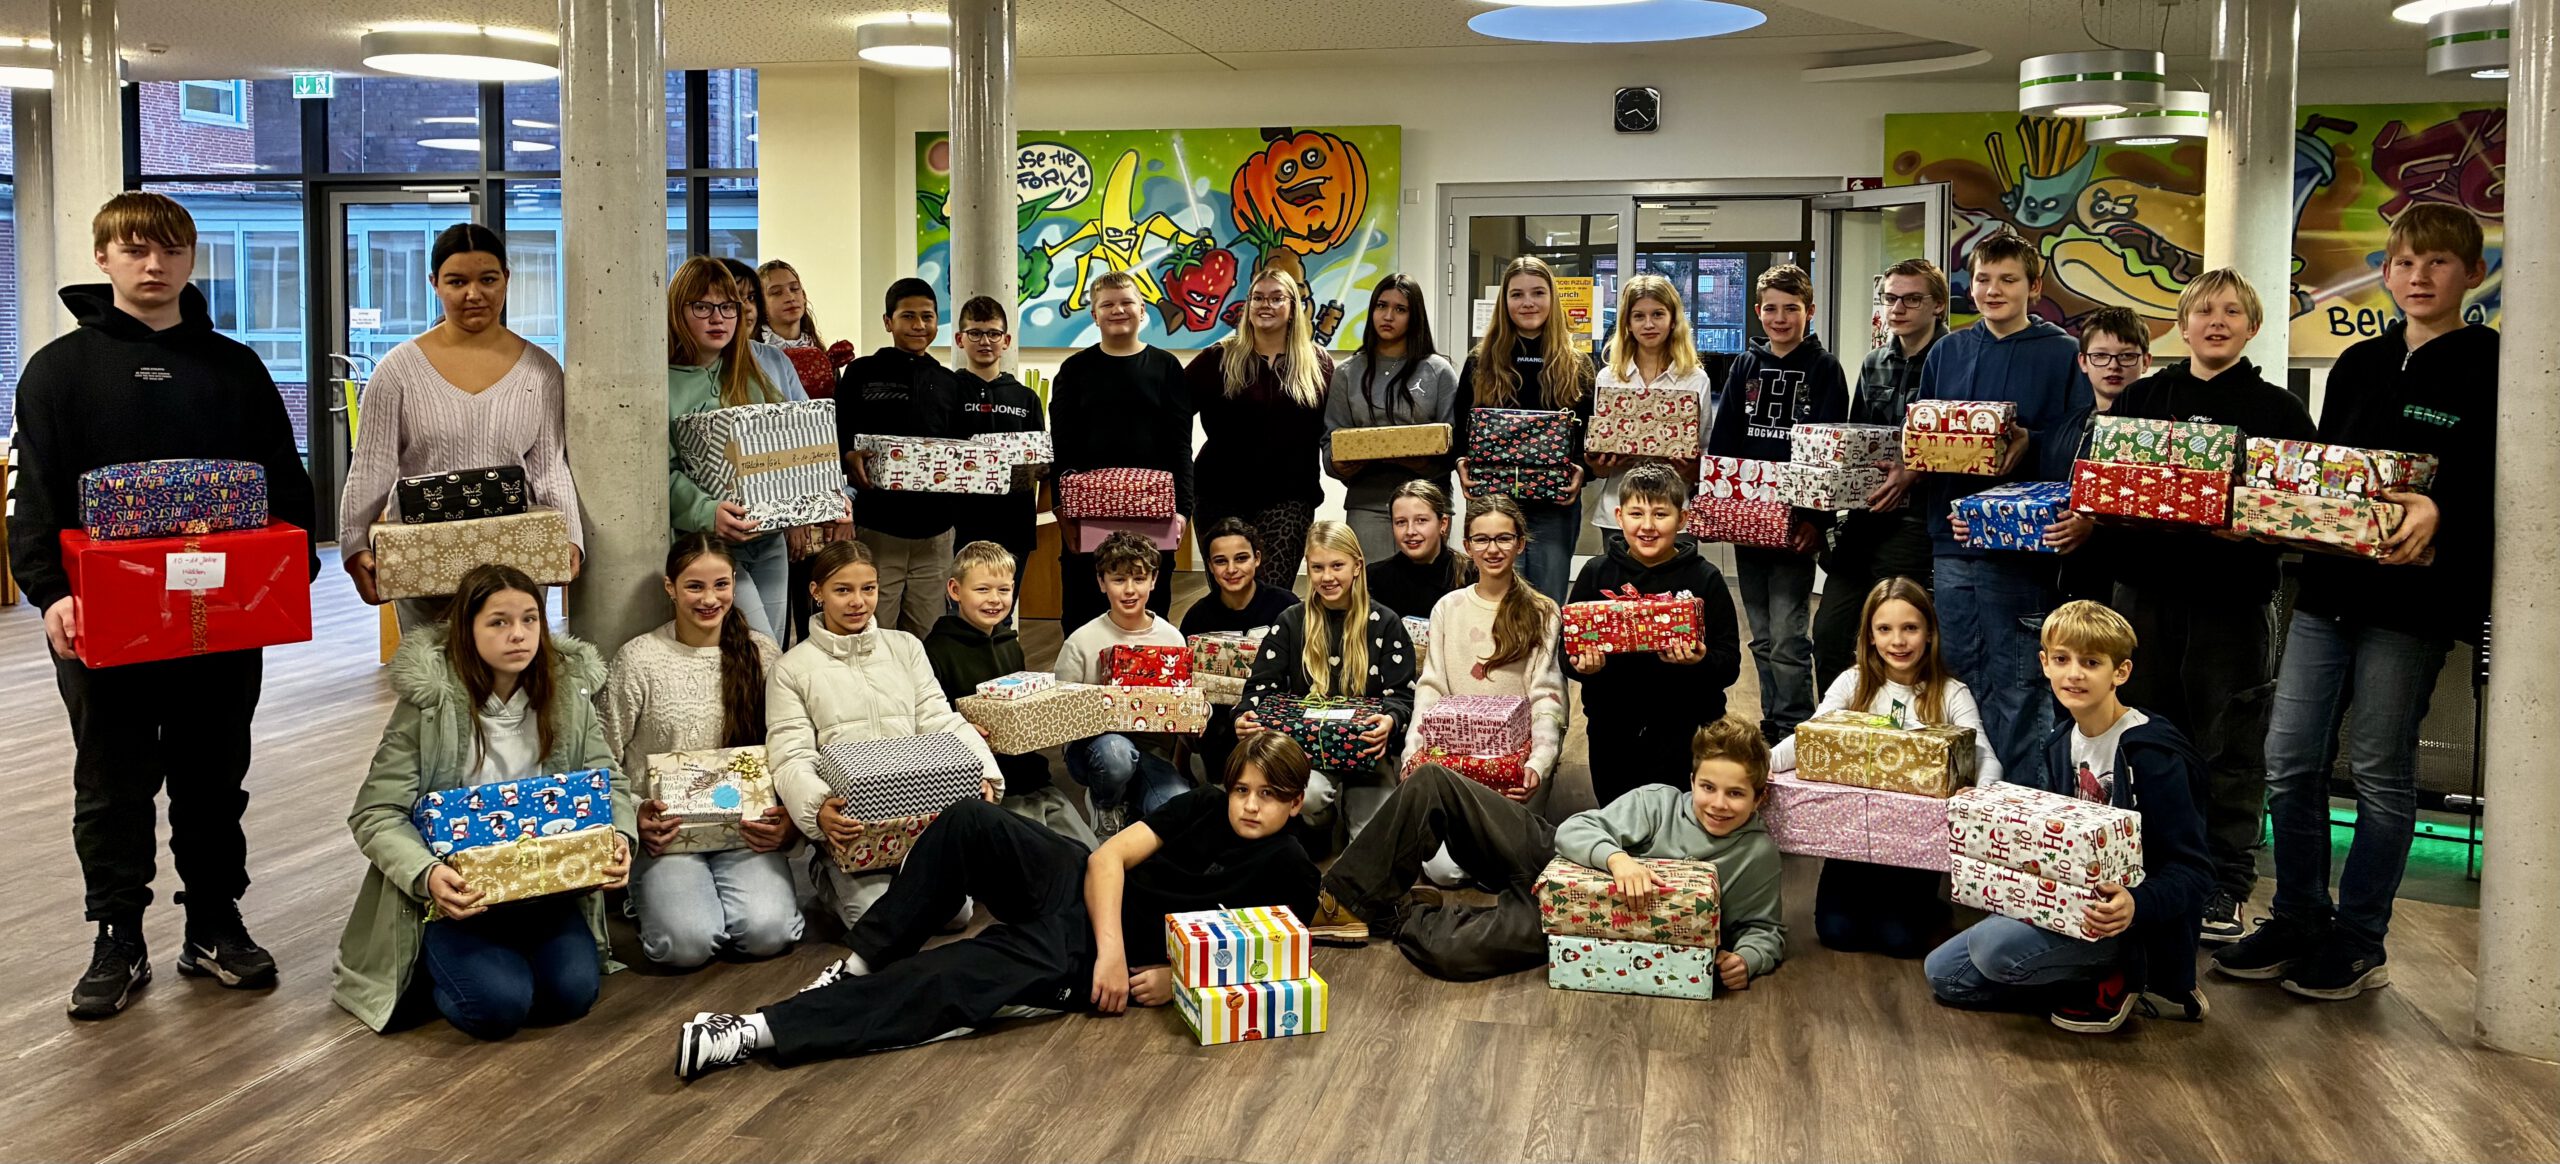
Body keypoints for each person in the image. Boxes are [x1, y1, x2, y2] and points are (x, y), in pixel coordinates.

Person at [15, 192, 321, 1020]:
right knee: (111, 784)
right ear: (104, 258)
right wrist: (48, 594)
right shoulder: (57, 371)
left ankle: (214, 924)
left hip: (221, 616)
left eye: (170, 251)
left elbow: (284, 484)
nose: (154, 266)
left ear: (191, 260)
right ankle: (117, 935)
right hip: (101, 616)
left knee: (213, 777)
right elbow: (35, 500)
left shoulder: (235, 366)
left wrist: (288, 574)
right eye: (135, 250)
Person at [2214, 204, 2499, 1001]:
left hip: (2414, 603)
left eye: (2439, 263)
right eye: (2406, 262)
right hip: (2328, 591)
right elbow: (2328, 479)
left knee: (2378, 770)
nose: (2419, 277)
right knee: (2290, 759)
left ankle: (2360, 936)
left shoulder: (2497, 365)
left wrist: (2445, 512)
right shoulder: (2356, 364)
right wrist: (2268, 516)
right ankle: (2298, 917)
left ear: (2471, 275)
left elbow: (2504, 489)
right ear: (2386, 271)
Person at [672, 733, 1320, 1080]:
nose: (1250, 805)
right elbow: (1107, 859)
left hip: (1086, 953)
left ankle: (757, 1029)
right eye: (1243, 789)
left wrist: (1174, 977)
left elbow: (1271, 958)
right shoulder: (1207, 805)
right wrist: (1118, 949)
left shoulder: (1289, 868)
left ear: (1295, 803)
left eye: (1269, 795)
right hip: (1092, 900)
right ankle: (863, 961)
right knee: (970, 820)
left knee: (951, 976)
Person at [2094, 270, 2318, 945]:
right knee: (2142, 738)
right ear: (2181, 324)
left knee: (2231, 746)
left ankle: (2223, 882)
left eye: (2230, 312)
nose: (2215, 322)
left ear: (2252, 326)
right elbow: (2101, 490)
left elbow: (2303, 511)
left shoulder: (2280, 410)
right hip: (2143, 597)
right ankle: (2148, 869)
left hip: (2233, 603)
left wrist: (2258, 524)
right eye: (2202, 311)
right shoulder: (2140, 397)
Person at [332, 565, 636, 1038]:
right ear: (466, 628)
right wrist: (426, 873)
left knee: (572, 995)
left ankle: (509, 962)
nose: (519, 635)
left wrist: (620, 835)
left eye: (531, 619)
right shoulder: (429, 706)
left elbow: (609, 782)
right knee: (496, 1009)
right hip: (458, 901)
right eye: (498, 621)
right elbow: (375, 813)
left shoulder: (567, 696)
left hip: (545, 890)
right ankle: (426, 970)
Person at [1303, 716, 1784, 991]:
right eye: (1707, 787)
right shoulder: (1658, 802)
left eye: (1736, 794)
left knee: (1452, 956)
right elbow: (1575, 830)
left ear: (1759, 797)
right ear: (1693, 780)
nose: (1718, 804)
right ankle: (1340, 901)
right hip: (1551, 859)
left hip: (1583, 923)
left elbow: (1765, 930)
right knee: (1432, 782)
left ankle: (1402, 915)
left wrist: (1748, 958)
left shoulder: (1756, 855)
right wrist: (1616, 858)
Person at [1925, 600, 2210, 1034]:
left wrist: (2137, 904)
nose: (2073, 674)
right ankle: (2077, 981)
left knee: (1992, 948)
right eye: (2062, 659)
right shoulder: (2061, 741)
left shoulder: (2152, 755)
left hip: (2128, 924)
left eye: (2091, 662)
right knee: (1942, 973)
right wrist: (1986, 804)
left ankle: (2127, 974)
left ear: (2121, 672)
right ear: (2044, 664)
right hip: (2069, 907)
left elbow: (2194, 871)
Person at [1887, 230, 2090, 777]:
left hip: (2021, 547)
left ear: (2034, 287)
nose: (1993, 290)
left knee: (2020, 680)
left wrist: (2032, 441)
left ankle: (2018, 805)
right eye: (1983, 279)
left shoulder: (2064, 354)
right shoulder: (1948, 350)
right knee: (1958, 676)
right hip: (1952, 541)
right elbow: (1921, 434)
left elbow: (2078, 443)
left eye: (2008, 279)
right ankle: (1964, 800)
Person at [340, 222, 583, 630]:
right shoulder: (398, 371)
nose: (474, 294)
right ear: (435, 283)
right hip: (423, 558)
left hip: (516, 561)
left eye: (488, 279)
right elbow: (371, 466)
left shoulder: (541, 372)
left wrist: (570, 536)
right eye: (457, 281)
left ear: (506, 278)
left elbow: (549, 467)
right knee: (434, 683)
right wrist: (352, 543)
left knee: (515, 680)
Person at [768, 540, 1005, 929]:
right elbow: (790, 754)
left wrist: (982, 772)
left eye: (869, 588)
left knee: (955, 916)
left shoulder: (906, 647)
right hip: (851, 830)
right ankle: (828, 874)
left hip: (921, 818)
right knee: (880, 922)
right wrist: (817, 808)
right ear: (816, 592)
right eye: (842, 590)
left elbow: (939, 719)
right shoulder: (791, 668)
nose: (858, 602)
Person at [597, 535, 803, 969]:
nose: (710, 599)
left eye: (722, 585)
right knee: (685, 945)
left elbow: (792, 746)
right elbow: (602, 755)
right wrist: (632, 815)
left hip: (746, 831)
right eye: (694, 586)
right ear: (670, 587)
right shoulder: (639, 660)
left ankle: (718, 900)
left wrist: (790, 818)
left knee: (770, 933)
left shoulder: (763, 654)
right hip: (668, 838)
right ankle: (651, 898)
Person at [1772, 577, 2001, 957]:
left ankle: (1928, 906)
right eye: (1885, 629)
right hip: (1850, 841)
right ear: (1870, 636)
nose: (1898, 641)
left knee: (1900, 940)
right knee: (1836, 933)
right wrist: (1759, 765)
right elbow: (1809, 737)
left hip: (1913, 847)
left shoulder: (1950, 692)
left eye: (1910, 628)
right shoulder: (1853, 683)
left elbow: (1984, 756)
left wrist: (1979, 793)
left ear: (1929, 633)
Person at [1703, 264, 1847, 744]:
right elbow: (1724, 443)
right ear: (1757, 311)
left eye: (1791, 308)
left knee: (1789, 635)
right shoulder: (1745, 366)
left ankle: (1795, 725)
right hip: (1749, 523)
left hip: (1795, 526)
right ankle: (1771, 720)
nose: (1780, 318)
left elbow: (1830, 452)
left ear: (1809, 311)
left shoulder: (1825, 369)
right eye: (1771, 308)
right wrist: (1715, 505)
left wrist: (1814, 519)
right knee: (1762, 634)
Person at [1395, 492, 1567, 888]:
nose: (1493, 549)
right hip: (1455, 762)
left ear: (1520, 543)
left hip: (1513, 765)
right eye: (1482, 540)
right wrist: (1413, 751)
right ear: (1467, 545)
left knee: (1509, 869)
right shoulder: (1448, 608)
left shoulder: (1542, 610)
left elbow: (1548, 697)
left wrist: (1537, 764)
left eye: (1504, 538)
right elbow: (1432, 687)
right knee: (1446, 872)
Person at [1566, 463, 1744, 807]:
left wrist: (1699, 661)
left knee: (1680, 822)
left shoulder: (1706, 579)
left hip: (1687, 728)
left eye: (1660, 514)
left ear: (1682, 519)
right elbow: (1567, 654)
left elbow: (1730, 665)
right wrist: (1583, 667)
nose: (1647, 526)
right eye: (1636, 513)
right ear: (1619, 516)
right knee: (1618, 815)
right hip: (1612, 727)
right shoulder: (1595, 573)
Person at [1236, 520, 1419, 846]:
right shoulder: (1292, 621)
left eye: (1337, 565)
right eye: (1318, 567)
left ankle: (1349, 822)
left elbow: (1404, 693)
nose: (1327, 577)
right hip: (1304, 753)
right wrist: (1246, 716)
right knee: (1310, 796)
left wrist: (1390, 720)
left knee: (1372, 837)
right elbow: (1262, 685)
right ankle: (1319, 823)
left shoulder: (1385, 623)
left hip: (1369, 756)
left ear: (1357, 566)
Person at [667, 255, 815, 640]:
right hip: (705, 546)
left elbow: (798, 444)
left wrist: (825, 492)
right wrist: (705, 511)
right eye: (702, 306)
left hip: (768, 539)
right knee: (758, 647)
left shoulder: (756, 372)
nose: (718, 318)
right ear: (677, 311)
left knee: (771, 651)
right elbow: (656, 473)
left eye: (728, 307)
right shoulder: (659, 382)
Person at [1815, 259, 1947, 685]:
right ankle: (1837, 726)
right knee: (1831, 633)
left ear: (1938, 306)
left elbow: (1963, 448)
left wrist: (1915, 471)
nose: (1899, 308)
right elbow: (1857, 438)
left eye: (1912, 299)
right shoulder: (1874, 362)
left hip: (1916, 522)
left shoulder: (1954, 361)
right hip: (1866, 517)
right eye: (1891, 298)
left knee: (1899, 637)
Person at [925, 540, 1101, 850]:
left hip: (1029, 775)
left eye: (1004, 590)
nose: (994, 600)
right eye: (982, 590)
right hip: (980, 782)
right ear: (955, 591)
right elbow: (934, 722)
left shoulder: (1010, 644)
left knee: (1087, 850)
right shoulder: (936, 651)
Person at [1050, 270, 1192, 627]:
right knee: (1084, 610)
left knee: (1149, 610)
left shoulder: (1167, 367)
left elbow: (1180, 445)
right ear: (1094, 315)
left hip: (1155, 513)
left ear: (1142, 310)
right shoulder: (1074, 370)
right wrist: (1061, 510)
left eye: (1127, 302)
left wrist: (1184, 510)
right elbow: (1061, 446)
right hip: (1088, 514)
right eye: (1107, 304)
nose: (1118, 310)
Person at [1454, 256, 1597, 604]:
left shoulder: (1577, 364)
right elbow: (1460, 429)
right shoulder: (1480, 361)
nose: (1528, 302)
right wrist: (1460, 463)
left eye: (1538, 293)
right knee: (1495, 600)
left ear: (1553, 298)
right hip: (1494, 502)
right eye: (1517, 294)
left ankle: (1546, 662)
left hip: (1555, 505)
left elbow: (1591, 432)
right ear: (1504, 302)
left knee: (1547, 601)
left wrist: (1584, 470)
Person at [1188, 268, 1333, 590]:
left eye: (1276, 298)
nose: (1265, 305)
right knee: (1229, 594)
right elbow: (1172, 412)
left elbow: (1334, 429)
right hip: (1218, 496)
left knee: (1273, 595)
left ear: (1293, 307)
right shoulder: (1218, 358)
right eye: (1257, 298)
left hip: (1289, 499)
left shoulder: (1317, 363)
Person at [839, 277, 962, 637]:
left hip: (936, 533)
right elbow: (838, 427)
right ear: (888, 322)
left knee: (927, 632)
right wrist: (848, 454)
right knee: (874, 627)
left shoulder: (949, 382)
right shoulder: (862, 372)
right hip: (879, 526)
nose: (919, 325)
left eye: (927, 316)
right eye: (908, 316)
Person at [1055, 531, 1198, 836]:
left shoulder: (1171, 638)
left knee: (1175, 808)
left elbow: (1181, 706)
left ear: (1154, 580)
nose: (1130, 590)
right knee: (1116, 754)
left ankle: (1131, 802)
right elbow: (1060, 716)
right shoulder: (1081, 641)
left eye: (1139, 578)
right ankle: (1106, 802)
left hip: (1151, 751)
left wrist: (1198, 715)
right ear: (1101, 582)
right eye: (1118, 579)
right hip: (1097, 748)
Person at [1323, 273, 1461, 560]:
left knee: (1425, 593)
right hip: (1368, 502)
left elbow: (1455, 445)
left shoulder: (1438, 371)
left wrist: (1422, 462)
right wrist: (1342, 465)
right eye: (1381, 306)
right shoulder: (1347, 373)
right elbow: (1330, 444)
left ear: (1415, 316)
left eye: (1400, 309)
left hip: (1427, 505)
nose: (1388, 316)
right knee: (1373, 593)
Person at [1590, 273, 1712, 555]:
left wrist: (1689, 466)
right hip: (1617, 512)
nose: (1648, 324)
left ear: (1673, 320)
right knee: (1620, 596)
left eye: (1658, 314)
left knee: (1674, 595)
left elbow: (1704, 451)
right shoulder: (1609, 378)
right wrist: (1602, 461)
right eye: (1638, 316)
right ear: (1627, 324)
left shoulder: (1695, 380)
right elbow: (1598, 463)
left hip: (1675, 513)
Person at [1176, 517, 1302, 782]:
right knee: (1229, 783)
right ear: (1209, 566)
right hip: (1220, 721)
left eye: (1241, 558)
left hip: (1275, 711)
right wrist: (1183, 753)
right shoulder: (1197, 618)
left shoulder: (1286, 606)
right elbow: (1184, 686)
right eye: (1221, 561)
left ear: (1257, 558)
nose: (1231, 569)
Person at [2047, 307, 2151, 607]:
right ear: (2083, 362)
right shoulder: (2061, 430)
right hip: (2067, 586)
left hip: (2133, 588)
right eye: (2101, 356)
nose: (2113, 367)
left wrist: (2095, 527)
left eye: (2126, 356)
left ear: (2146, 361)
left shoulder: (2157, 434)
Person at [946, 296, 1045, 604]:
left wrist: (1040, 466)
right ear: (960, 339)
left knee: (1001, 607)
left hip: (1012, 523)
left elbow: (1040, 460)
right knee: (958, 609)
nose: (984, 341)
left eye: (993, 333)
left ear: (1007, 340)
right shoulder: (946, 390)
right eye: (975, 333)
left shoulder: (1026, 398)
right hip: (958, 523)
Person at [1366, 480, 1467, 621]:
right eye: (1401, 522)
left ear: (1443, 524)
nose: (1410, 531)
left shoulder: (1470, 576)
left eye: (1421, 520)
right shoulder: (1375, 578)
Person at [755, 258, 848, 398]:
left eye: (794, 289)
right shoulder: (752, 356)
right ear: (760, 304)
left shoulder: (823, 357)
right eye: (776, 292)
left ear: (804, 296)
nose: (790, 297)